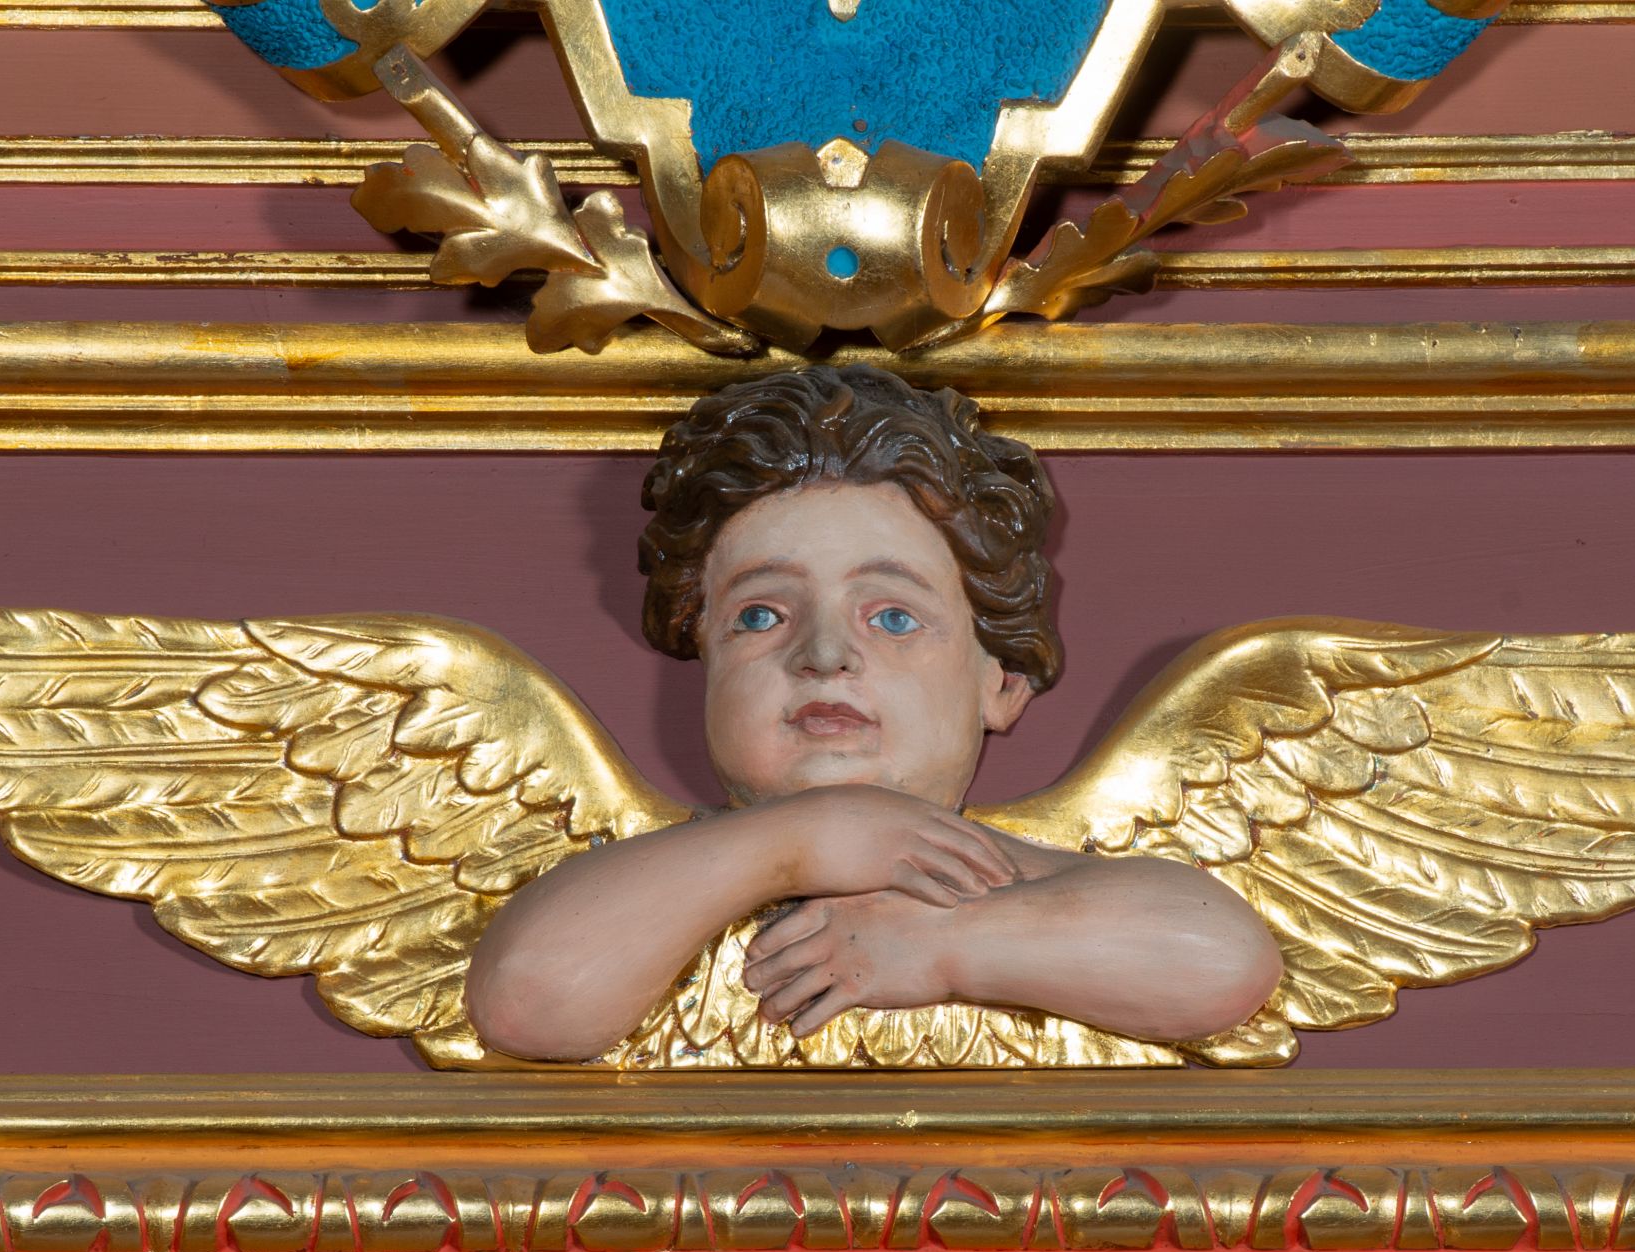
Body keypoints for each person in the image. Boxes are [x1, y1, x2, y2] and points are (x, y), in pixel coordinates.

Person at [464, 366, 1282, 1063]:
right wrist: (800, 840)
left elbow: (1220, 958)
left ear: (1001, 682)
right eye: (761, 615)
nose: (824, 655)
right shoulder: (634, 890)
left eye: (892, 618)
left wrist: (942, 946)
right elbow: (526, 1000)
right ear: (703, 656)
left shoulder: (1029, 882)